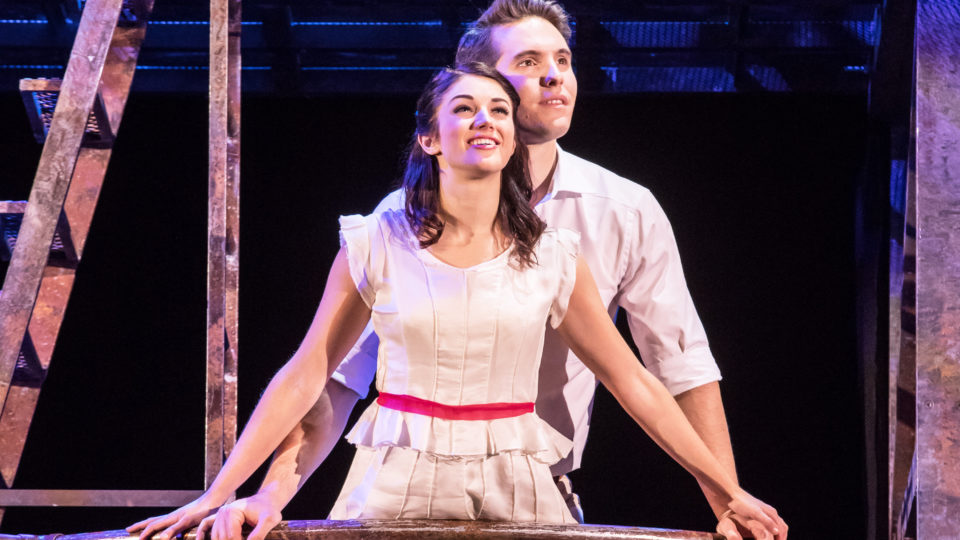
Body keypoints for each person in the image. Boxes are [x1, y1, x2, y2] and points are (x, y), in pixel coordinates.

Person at [130, 1, 790, 538]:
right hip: (399, 480)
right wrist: (254, 495)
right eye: (528, 65)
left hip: (529, 485)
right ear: (451, 107)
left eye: (563, 61)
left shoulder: (610, 218)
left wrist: (727, 499)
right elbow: (326, 376)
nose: (555, 77)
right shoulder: (391, 228)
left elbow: (666, 372)